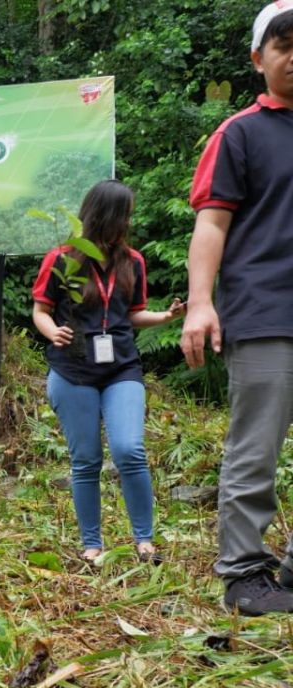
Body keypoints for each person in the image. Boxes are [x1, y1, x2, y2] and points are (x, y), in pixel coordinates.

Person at [180, 1, 293, 615]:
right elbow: (212, 223)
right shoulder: (241, 133)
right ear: (259, 58)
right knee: (257, 447)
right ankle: (245, 575)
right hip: (265, 311)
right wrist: (200, 303)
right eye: (284, 43)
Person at [32, 180, 184, 566]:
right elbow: (40, 311)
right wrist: (53, 331)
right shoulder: (63, 258)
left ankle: (145, 541)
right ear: (106, 216)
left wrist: (165, 317)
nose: (130, 221)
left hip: (121, 368)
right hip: (72, 370)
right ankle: (91, 546)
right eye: (126, 214)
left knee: (129, 449)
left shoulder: (132, 261)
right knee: (85, 461)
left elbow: (133, 314)